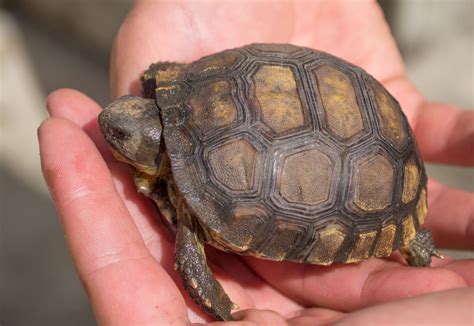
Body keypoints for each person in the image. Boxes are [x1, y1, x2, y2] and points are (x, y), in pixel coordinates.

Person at [38, 1, 473, 324]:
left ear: (151, 155)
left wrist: (223, 312)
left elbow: (191, 263)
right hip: (354, 93)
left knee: (408, 238)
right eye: (123, 127)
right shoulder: (182, 95)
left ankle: (408, 232)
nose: (114, 121)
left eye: (121, 137)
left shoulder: (193, 198)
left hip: (368, 159)